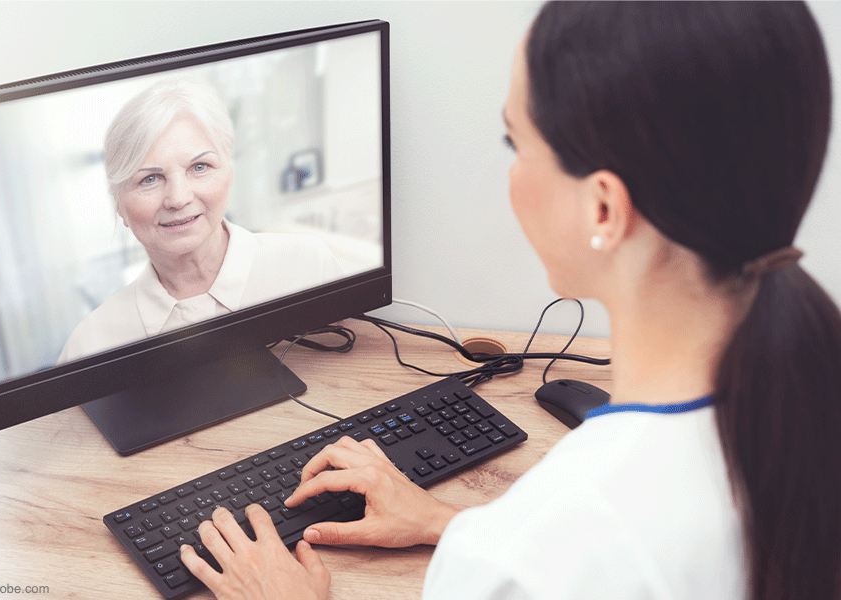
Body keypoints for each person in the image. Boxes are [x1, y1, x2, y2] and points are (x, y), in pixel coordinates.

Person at [178, 2, 841, 599]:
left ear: (604, 207)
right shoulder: (805, 400)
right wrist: (456, 524)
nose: (512, 173)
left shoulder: (535, 555)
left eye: (514, 141)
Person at [59, 80, 343, 363]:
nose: (178, 198)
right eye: (149, 179)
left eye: (199, 167)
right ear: (118, 204)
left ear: (229, 173)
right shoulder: (90, 344)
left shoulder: (308, 266)